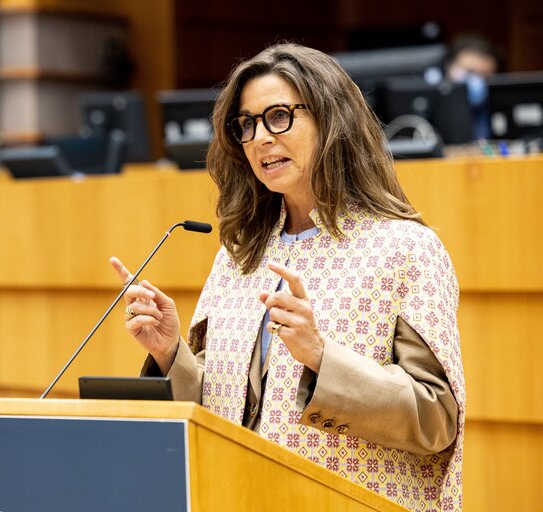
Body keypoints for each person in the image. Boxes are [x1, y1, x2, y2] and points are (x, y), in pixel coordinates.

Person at [110, 42, 464, 512]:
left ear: (330, 119)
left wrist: (321, 358)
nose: (260, 138)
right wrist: (170, 352)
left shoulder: (405, 249)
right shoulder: (239, 255)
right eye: (247, 124)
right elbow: (225, 408)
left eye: (279, 116)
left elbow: (437, 419)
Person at [444, 34, 504, 140]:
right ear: (449, 68)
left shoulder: (495, 108)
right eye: (470, 72)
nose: (477, 82)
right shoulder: (429, 106)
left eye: (485, 76)